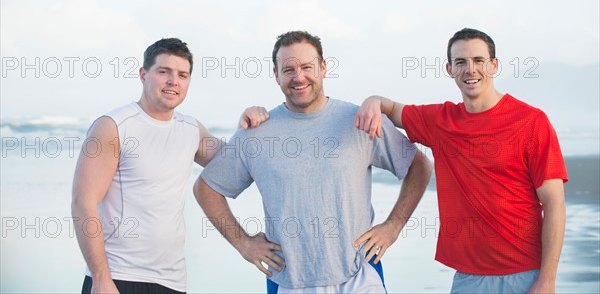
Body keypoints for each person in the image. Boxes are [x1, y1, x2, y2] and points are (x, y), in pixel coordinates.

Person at [195, 31, 433, 293]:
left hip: (359, 275)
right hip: (289, 279)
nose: (299, 77)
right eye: (289, 69)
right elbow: (206, 188)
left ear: (323, 67)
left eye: (307, 67)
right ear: (276, 75)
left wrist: (393, 226)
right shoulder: (256, 133)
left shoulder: (360, 120)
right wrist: (244, 244)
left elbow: (418, 165)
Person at [355, 28, 568, 293]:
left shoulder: (531, 122)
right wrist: (372, 101)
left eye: (479, 61)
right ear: (449, 68)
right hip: (468, 278)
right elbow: (392, 109)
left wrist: (547, 279)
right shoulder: (441, 121)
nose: (470, 70)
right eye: (461, 62)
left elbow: (554, 203)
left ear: (494, 65)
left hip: (524, 273)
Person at [71, 38, 267, 294]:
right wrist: (100, 278)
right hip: (118, 277)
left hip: (172, 281)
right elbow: (82, 202)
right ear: (143, 74)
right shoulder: (114, 126)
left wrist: (248, 124)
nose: (174, 81)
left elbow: (238, 163)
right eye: (164, 72)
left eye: (182, 75)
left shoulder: (190, 129)